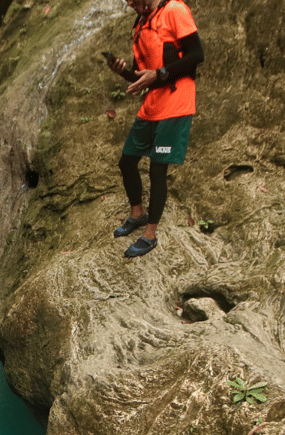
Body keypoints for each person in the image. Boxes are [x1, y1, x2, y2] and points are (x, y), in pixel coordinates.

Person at [107, 0, 204, 257]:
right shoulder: (142, 22)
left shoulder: (174, 10)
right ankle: (137, 214)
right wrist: (124, 71)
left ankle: (149, 235)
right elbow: (142, 75)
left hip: (176, 102)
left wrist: (159, 73)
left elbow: (197, 55)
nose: (129, 4)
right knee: (127, 162)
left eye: (132, 0)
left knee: (157, 168)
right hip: (152, 103)